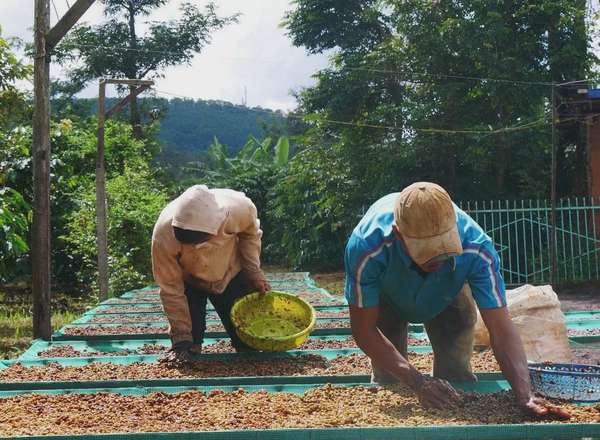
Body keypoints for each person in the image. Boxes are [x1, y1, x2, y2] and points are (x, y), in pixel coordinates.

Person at [344, 182, 570, 419]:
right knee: (391, 381)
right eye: (427, 250)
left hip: (448, 291)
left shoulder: (477, 247)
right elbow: (364, 329)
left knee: (456, 370)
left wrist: (525, 395)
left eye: (444, 247)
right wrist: (417, 381)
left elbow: (500, 326)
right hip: (386, 297)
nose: (438, 257)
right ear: (399, 235)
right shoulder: (367, 247)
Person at [151, 185, 270, 362]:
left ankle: (246, 349)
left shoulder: (240, 208)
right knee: (188, 345)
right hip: (189, 280)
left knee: (248, 339)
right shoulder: (163, 235)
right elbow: (170, 287)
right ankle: (188, 345)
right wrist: (181, 337)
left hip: (230, 272)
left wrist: (253, 272)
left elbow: (250, 235)